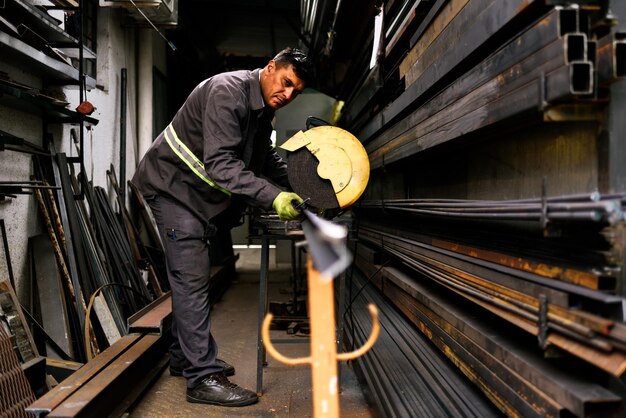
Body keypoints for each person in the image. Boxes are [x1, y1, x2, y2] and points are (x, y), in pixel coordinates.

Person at [131, 47, 313, 407]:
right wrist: (273, 198)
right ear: (270, 67)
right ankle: (201, 379)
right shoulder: (227, 92)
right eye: (286, 82)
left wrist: (305, 186)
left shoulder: (262, 111)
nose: (288, 95)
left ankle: (185, 359)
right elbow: (221, 166)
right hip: (172, 188)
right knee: (192, 279)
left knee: (192, 282)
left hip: (194, 196)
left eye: (297, 91)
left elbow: (265, 160)